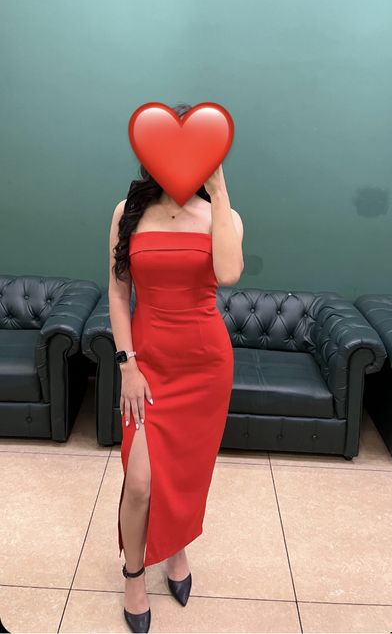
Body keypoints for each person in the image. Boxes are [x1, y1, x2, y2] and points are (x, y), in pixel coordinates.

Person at [108, 102, 244, 633]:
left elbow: (228, 274)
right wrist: (127, 365)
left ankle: (176, 547)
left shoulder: (223, 216)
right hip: (146, 364)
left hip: (205, 366)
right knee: (140, 480)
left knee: (185, 473)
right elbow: (118, 293)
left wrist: (219, 189)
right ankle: (133, 575)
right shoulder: (127, 212)